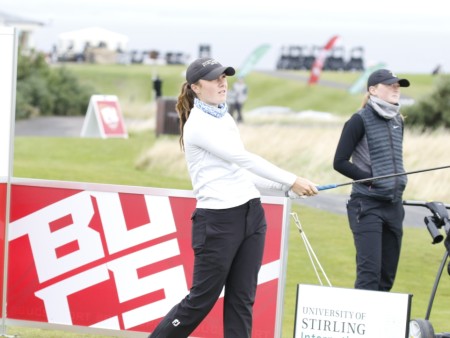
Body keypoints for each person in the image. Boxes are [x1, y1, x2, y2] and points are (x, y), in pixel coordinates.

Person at [148, 57, 318, 338]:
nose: (222, 82)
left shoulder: (223, 116)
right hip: (218, 222)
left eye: (224, 77)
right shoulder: (199, 124)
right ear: (196, 88)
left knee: (242, 300)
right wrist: (292, 179)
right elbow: (244, 158)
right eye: (215, 79)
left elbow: (239, 172)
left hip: (251, 215)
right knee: (200, 301)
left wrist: (286, 190)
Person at [333, 69, 410, 292]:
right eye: (390, 85)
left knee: (386, 277)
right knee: (369, 275)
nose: (396, 88)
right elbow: (340, 162)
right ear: (373, 90)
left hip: (394, 206)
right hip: (366, 206)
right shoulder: (358, 120)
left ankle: (380, 326)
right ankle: (365, 326)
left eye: (398, 85)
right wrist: (372, 181)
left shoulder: (398, 120)